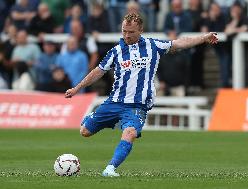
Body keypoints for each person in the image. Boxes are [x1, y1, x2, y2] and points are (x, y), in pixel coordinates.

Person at [64, 13, 218, 177]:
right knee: (85, 132)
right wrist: (77, 88)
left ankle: (110, 169)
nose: (127, 35)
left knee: (130, 132)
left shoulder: (154, 46)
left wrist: (203, 37)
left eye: (131, 32)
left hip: (138, 105)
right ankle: (100, 118)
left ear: (141, 30)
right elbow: (98, 72)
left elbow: (180, 43)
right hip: (115, 102)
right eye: (124, 31)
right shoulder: (116, 51)